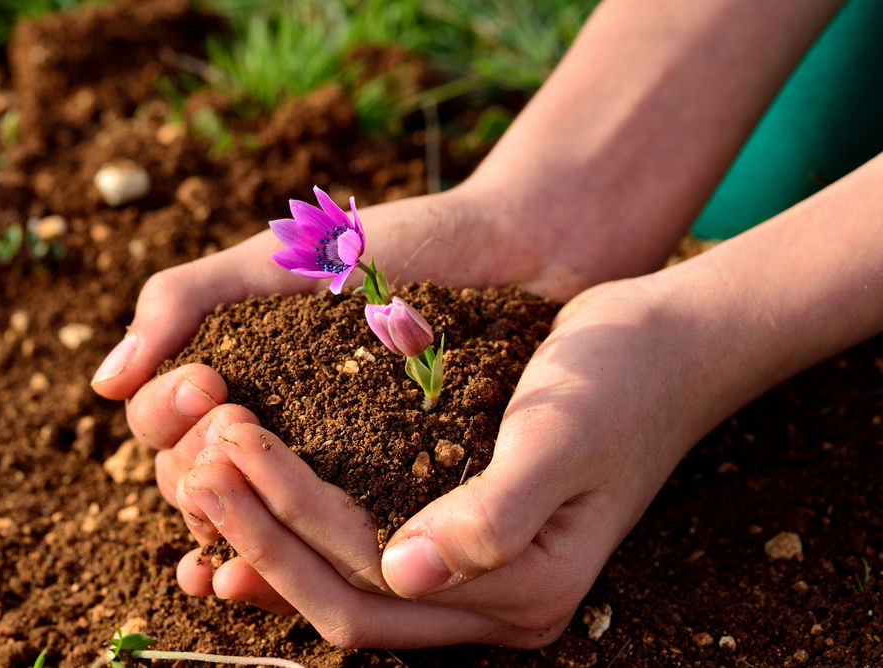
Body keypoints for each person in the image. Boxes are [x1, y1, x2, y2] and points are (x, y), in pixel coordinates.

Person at [91, 0, 883, 649]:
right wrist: (547, 208)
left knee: (797, 178)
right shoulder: (363, 281)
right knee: (783, 158)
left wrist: (701, 336)